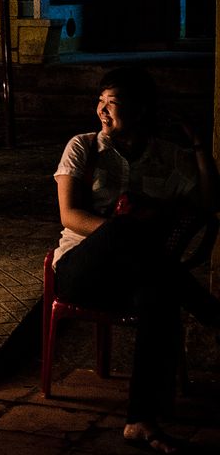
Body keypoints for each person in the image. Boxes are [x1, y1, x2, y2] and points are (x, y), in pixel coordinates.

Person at [52, 67, 220, 454]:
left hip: (137, 275)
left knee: (158, 298)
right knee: (127, 229)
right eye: (100, 102)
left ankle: (141, 421)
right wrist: (123, 229)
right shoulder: (82, 147)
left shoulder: (168, 157)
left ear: (141, 110)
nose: (101, 112)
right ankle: (211, 312)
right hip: (82, 269)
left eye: (112, 104)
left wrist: (198, 147)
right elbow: (70, 217)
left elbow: (211, 205)